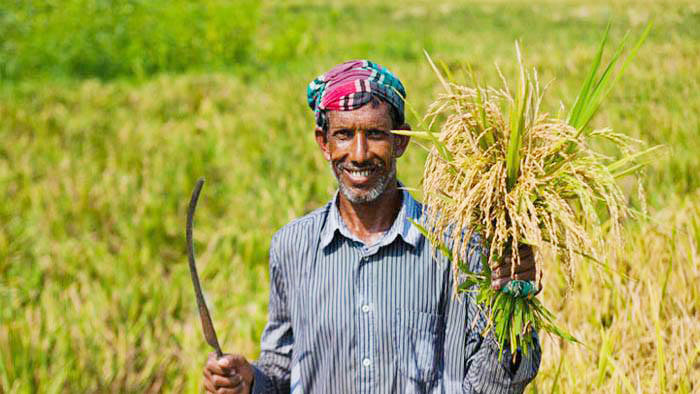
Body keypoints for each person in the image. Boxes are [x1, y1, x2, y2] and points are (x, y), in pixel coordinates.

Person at [203, 60, 541, 394]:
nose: (360, 154)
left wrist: (512, 311)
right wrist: (249, 381)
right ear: (324, 143)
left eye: (376, 134)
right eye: (344, 135)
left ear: (401, 141)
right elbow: (283, 367)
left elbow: (494, 385)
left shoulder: (457, 246)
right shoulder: (292, 246)